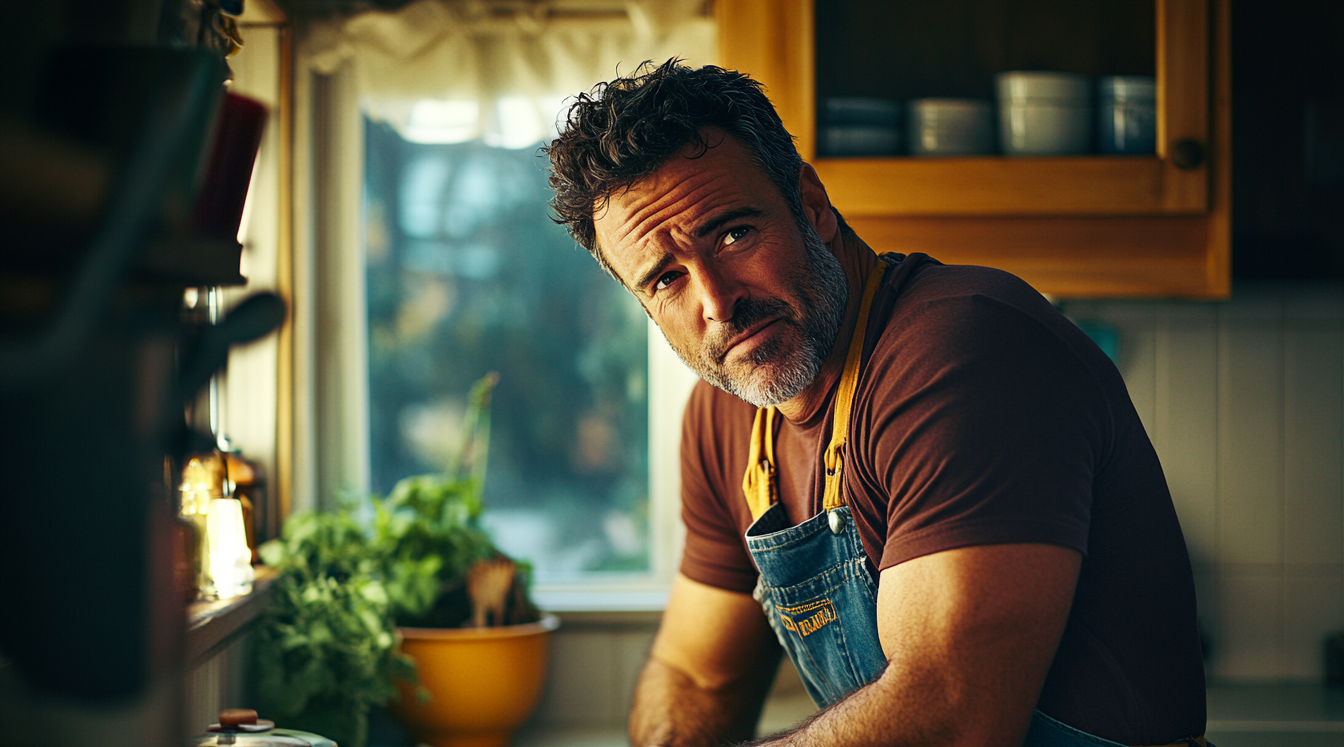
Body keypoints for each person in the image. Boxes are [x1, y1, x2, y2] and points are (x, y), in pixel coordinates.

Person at [544, 60, 1208, 747]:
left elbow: (952, 718)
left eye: (734, 233)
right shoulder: (726, 418)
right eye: (665, 278)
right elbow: (693, 676)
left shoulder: (961, 350)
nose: (718, 302)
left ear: (811, 203)